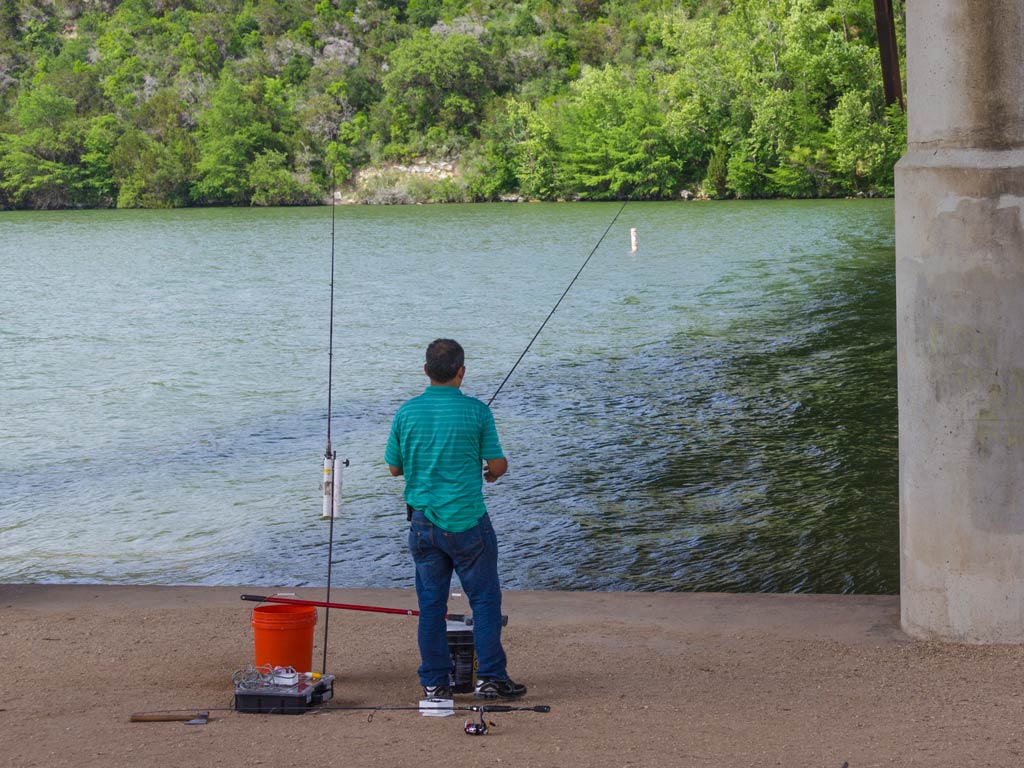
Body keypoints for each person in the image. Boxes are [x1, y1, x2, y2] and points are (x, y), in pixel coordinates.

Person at [385, 338, 527, 700]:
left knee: (431, 605)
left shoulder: (407, 413)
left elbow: (394, 468)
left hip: (422, 525)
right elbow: (497, 464)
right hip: (467, 524)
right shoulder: (477, 412)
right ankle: (491, 679)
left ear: (426, 371)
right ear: (461, 372)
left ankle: (435, 683)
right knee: (484, 601)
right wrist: (493, 474)